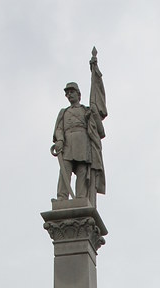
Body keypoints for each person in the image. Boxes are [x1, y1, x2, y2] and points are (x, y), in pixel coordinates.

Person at [52, 52, 106, 203]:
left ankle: (81, 197)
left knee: (82, 170)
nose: (69, 95)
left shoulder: (86, 110)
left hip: (83, 142)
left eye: (72, 92)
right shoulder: (64, 112)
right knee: (65, 172)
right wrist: (60, 140)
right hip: (68, 143)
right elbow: (59, 129)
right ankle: (62, 197)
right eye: (67, 93)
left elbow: (100, 132)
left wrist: (92, 118)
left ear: (78, 94)